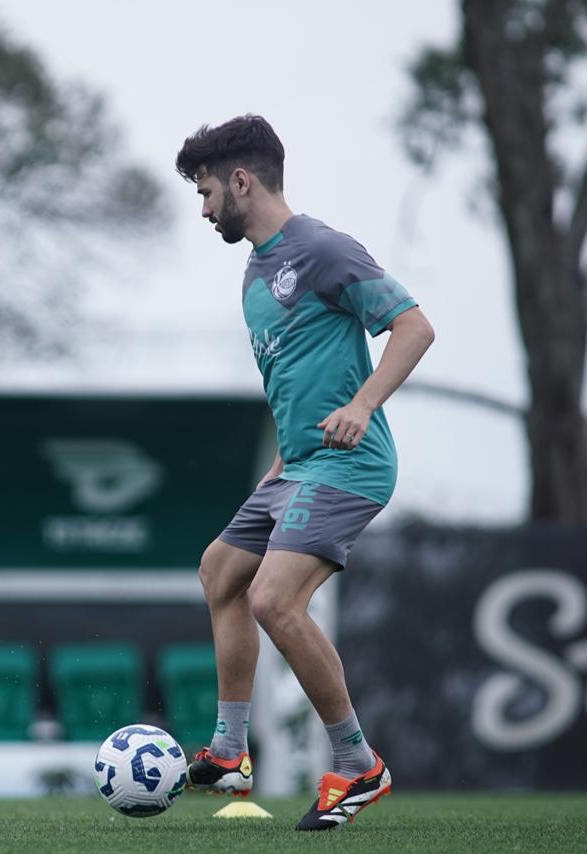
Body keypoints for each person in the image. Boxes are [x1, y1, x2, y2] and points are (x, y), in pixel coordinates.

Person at [174, 115, 435, 831]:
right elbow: (299, 383)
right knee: (220, 572)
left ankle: (359, 766)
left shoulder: (321, 249)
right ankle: (230, 750)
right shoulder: (256, 270)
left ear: (241, 181)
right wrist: (280, 463)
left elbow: (414, 326)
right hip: (299, 465)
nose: (202, 210)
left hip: (352, 465)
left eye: (205, 193)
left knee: (273, 601)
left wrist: (363, 403)